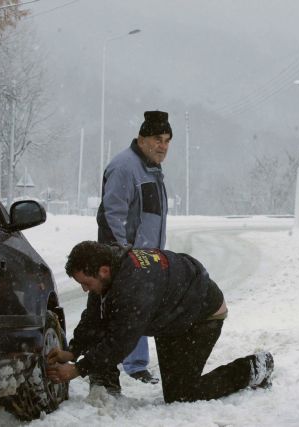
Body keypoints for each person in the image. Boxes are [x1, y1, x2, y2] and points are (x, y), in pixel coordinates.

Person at [46, 241, 274, 403]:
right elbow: (94, 316)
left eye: (85, 283)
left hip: (202, 318)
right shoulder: (111, 264)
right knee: (175, 389)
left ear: (103, 271)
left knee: (183, 394)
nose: (85, 289)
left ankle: (255, 366)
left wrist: (77, 370)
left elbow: (120, 342)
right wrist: (72, 351)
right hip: (173, 317)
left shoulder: (133, 288)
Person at [94, 110, 173, 387]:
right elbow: (113, 214)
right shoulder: (125, 167)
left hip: (146, 256)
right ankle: (122, 366)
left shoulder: (151, 169)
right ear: (141, 138)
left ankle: (133, 363)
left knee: (137, 308)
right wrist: (123, 254)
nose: (162, 146)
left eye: (166, 140)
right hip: (127, 256)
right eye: (156, 139)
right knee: (125, 309)